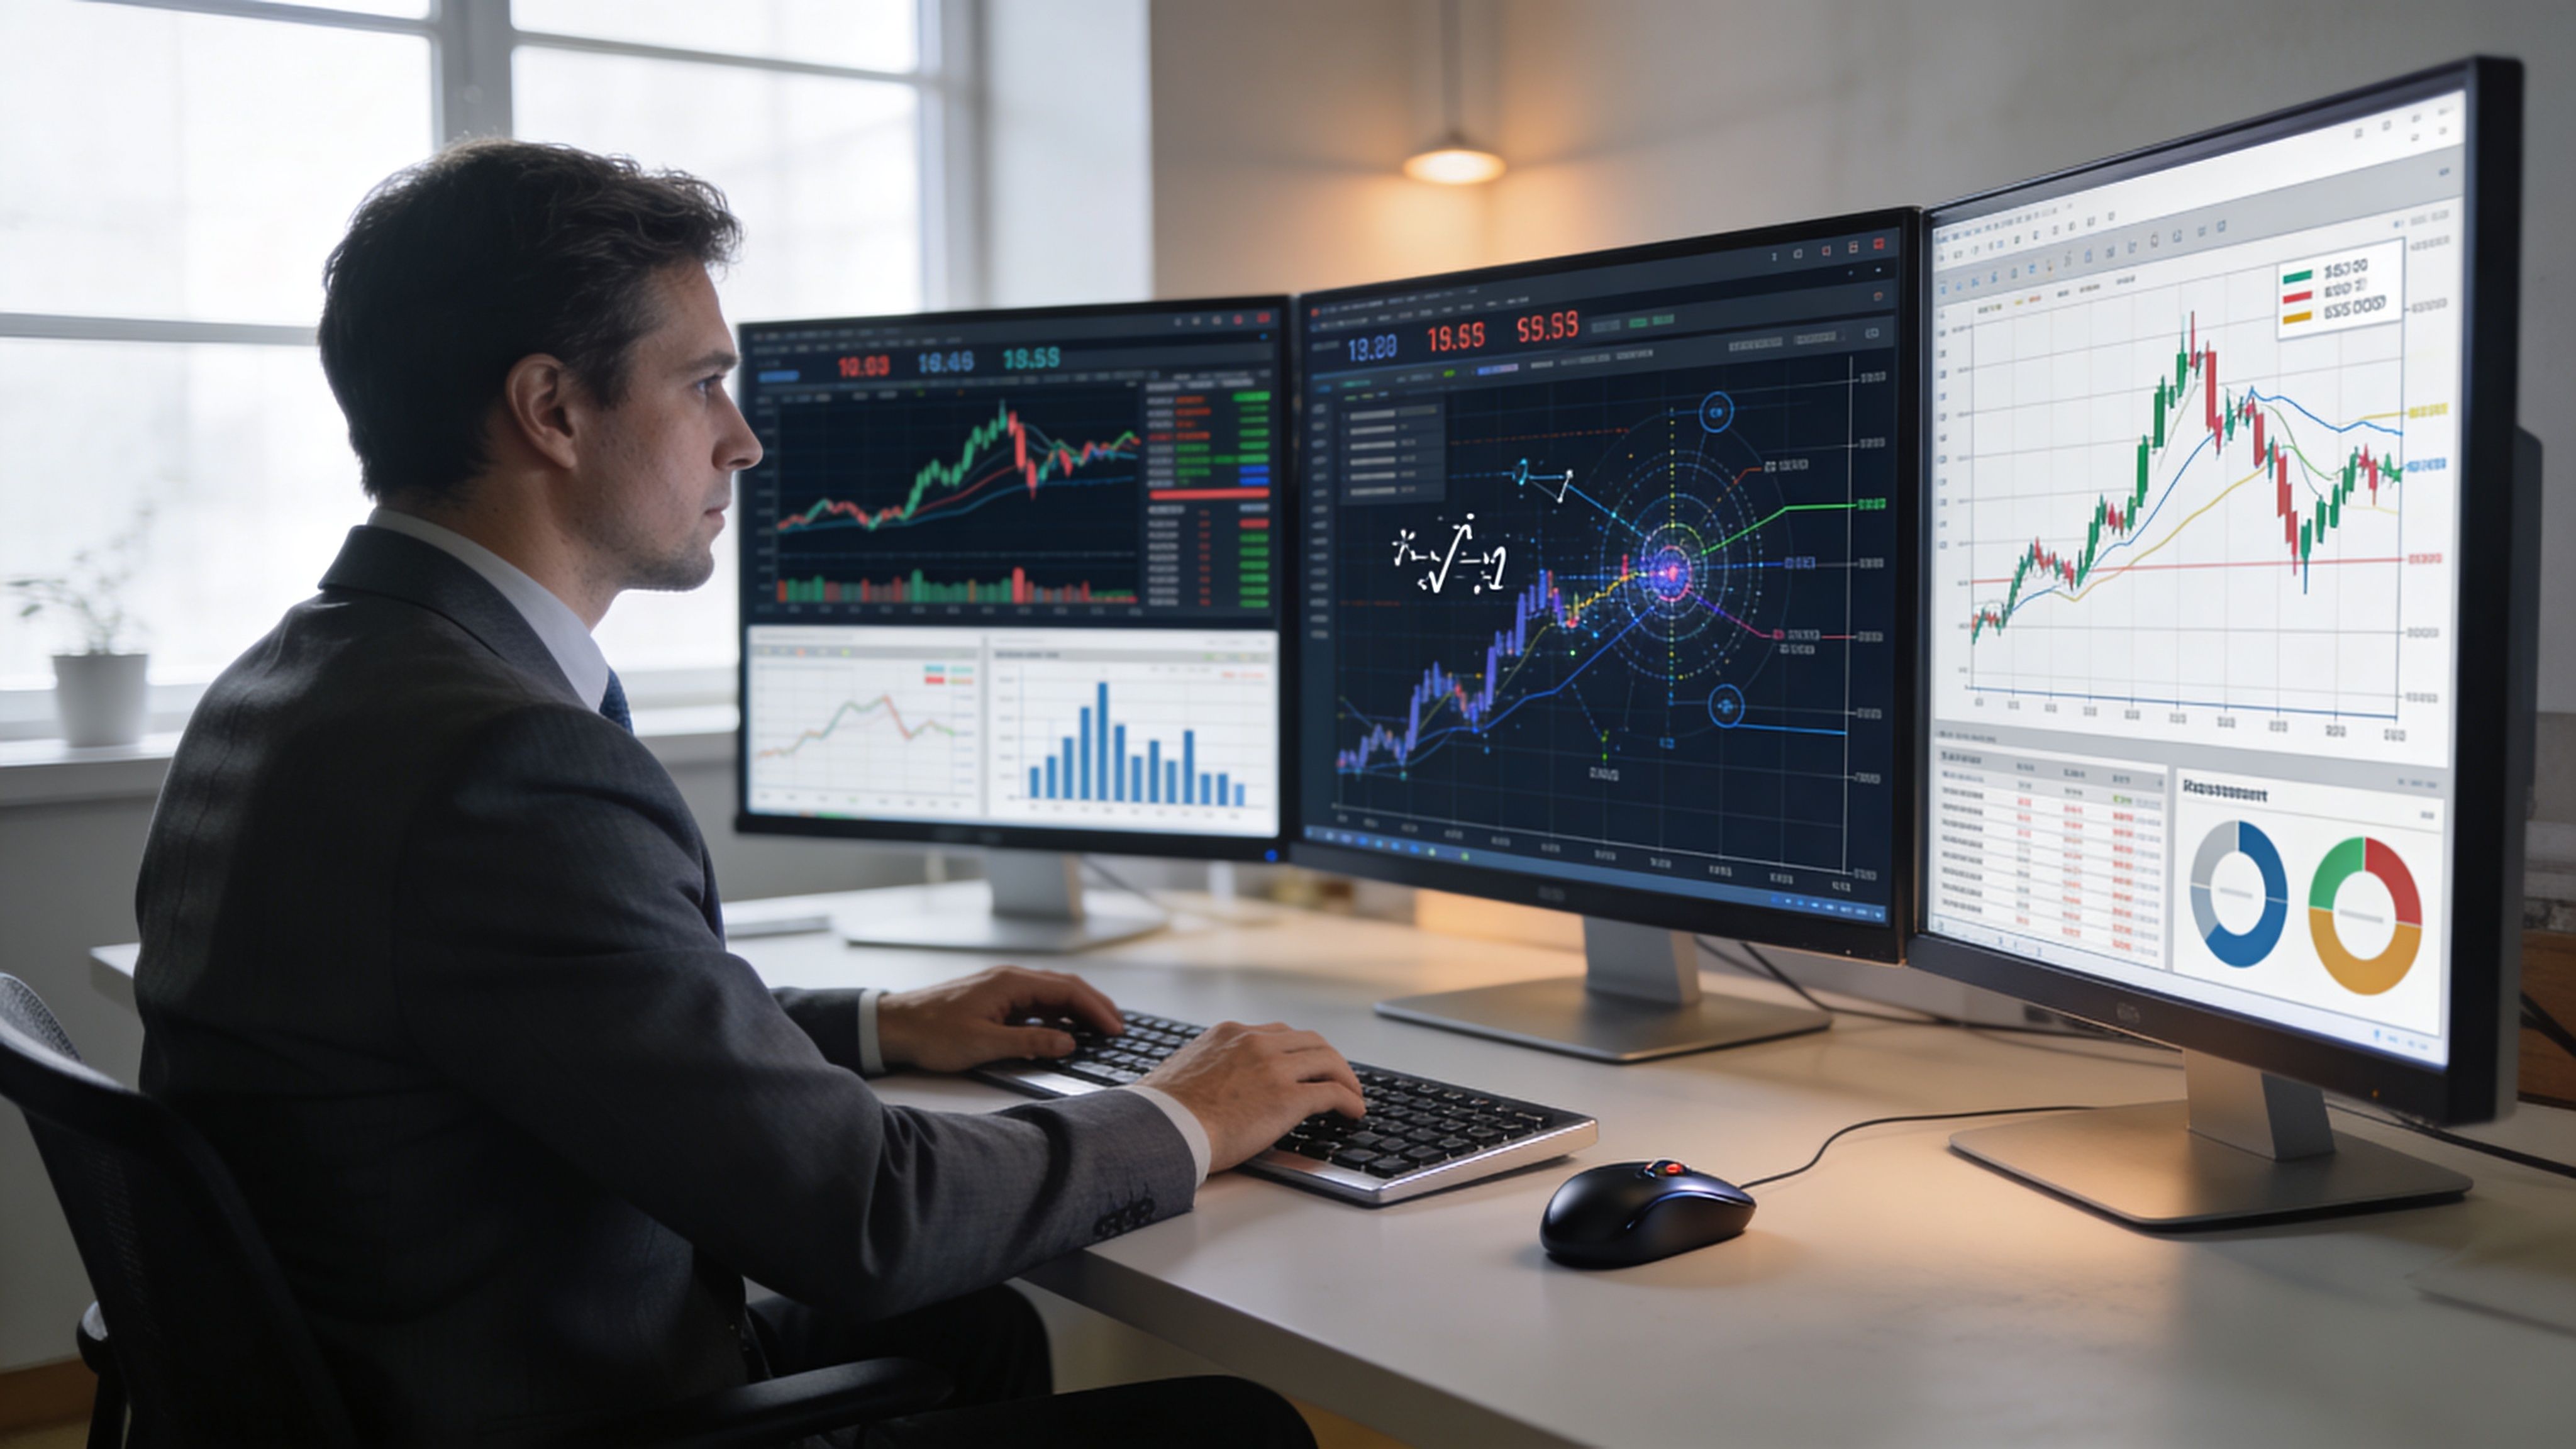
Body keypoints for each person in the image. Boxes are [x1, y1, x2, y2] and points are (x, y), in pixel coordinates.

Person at [133, 138, 1361, 1448]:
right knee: (1233, 1426)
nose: (744, 441)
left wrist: (882, 1027)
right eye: (706, 384)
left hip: (396, 1370)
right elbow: (868, 1223)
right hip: (542, 1406)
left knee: (972, 1335)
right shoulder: (502, 767)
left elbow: (557, 1011)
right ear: (551, 410)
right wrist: (1186, 1110)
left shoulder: (295, 681)